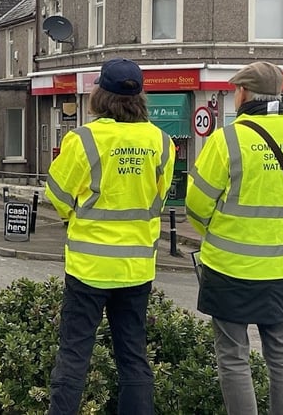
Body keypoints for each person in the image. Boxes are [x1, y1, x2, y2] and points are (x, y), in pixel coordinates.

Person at [45, 58, 175, 415]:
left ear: (99, 95)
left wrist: (77, 215)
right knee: (133, 355)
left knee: (74, 354)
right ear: (140, 96)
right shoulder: (161, 142)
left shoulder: (82, 139)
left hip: (88, 268)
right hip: (136, 269)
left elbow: (57, 195)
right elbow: (159, 200)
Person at [186, 61, 283, 415]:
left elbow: (197, 206)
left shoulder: (226, 139)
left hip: (230, 268)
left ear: (244, 94)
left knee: (233, 357)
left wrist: (216, 233)